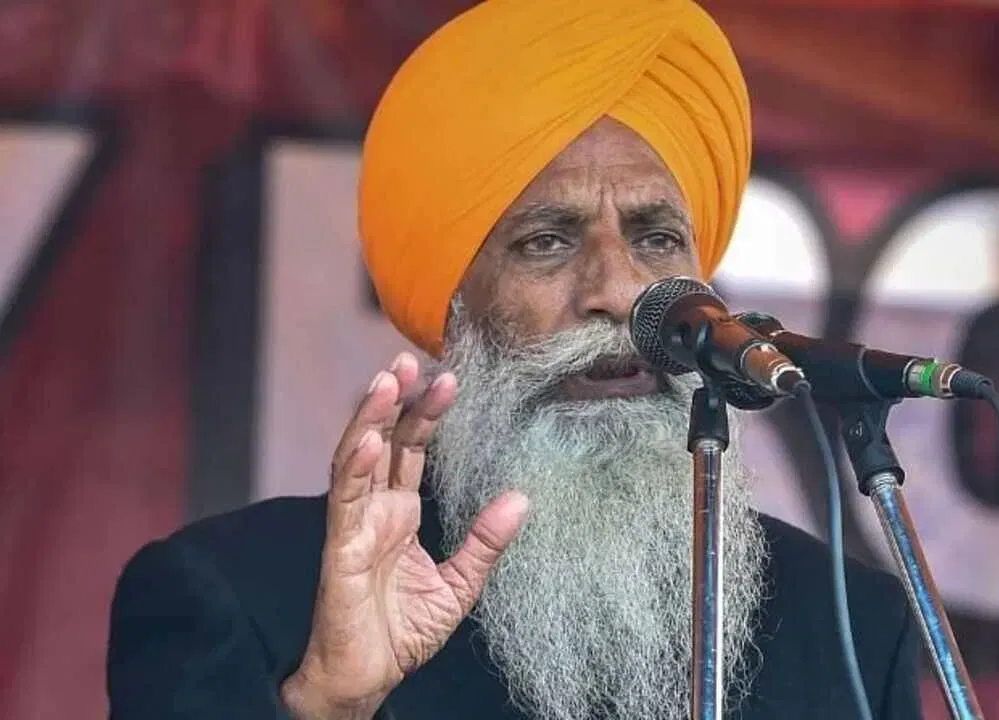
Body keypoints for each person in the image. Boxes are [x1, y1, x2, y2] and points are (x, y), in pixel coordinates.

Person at [106, 1, 922, 718]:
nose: (617, 291)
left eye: (655, 238)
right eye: (546, 242)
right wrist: (330, 706)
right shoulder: (237, 596)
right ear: (455, 307)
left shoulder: (851, 625)